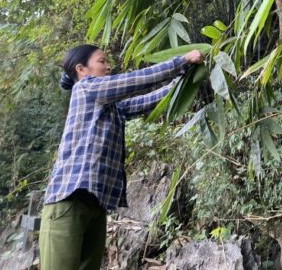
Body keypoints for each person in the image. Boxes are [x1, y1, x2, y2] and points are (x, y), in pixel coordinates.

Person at [38, 44, 204, 270]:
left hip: (96, 206)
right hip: (68, 202)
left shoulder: (114, 107)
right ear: (82, 69)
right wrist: (181, 61)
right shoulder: (86, 90)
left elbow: (153, 99)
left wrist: (186, 78)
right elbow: (137, 80)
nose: (108, 66)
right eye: (102, 61)